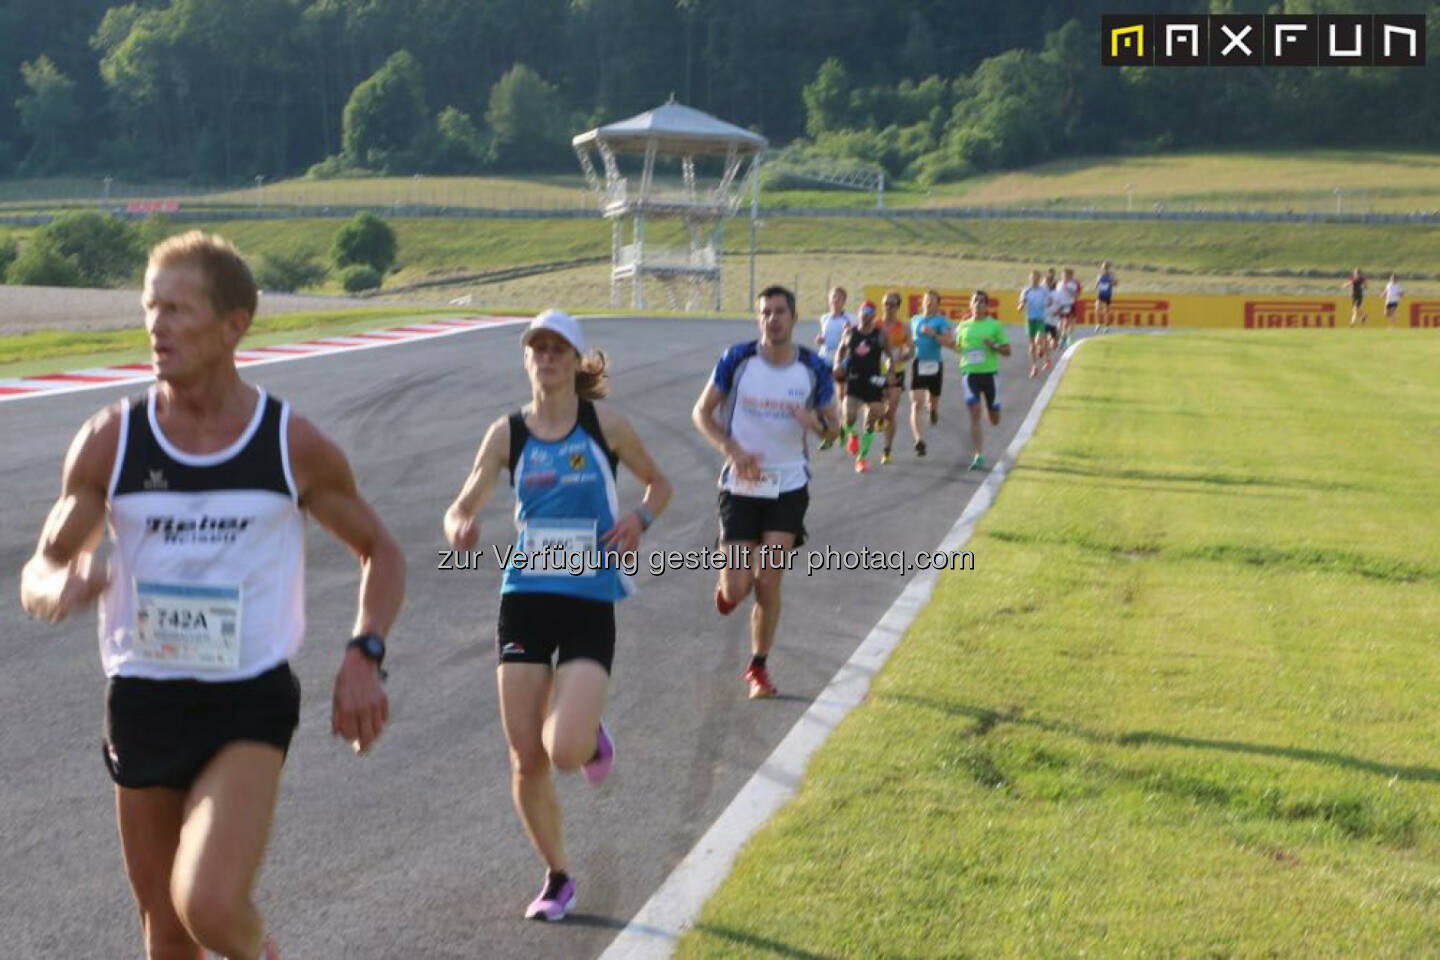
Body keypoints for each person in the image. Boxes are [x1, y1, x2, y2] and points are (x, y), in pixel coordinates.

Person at [19, 231, 404, 960]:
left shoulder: (289, 444)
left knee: (208, 904)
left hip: (246, 702)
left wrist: (365, 649)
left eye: (177, 308)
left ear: (235, 324)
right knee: (166, 933)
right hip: (142, 699)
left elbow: (381, 550)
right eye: (149, 307)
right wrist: (57, 588)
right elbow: (41, 567)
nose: (156, 326)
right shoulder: (112, 440)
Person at [443, 310, 671, 922]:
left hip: (590, 598)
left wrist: (639, 521)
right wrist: (459, 523)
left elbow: (660, 485)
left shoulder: (605, 425)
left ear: (575, 360)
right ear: (527, 360)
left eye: (556, 349)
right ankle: (558, 875)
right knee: (525, 757)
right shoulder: (507, 434)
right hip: (524, 598)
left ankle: (587, 728)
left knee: (564, 751)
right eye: (536, 348)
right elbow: (462, 502)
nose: (545, 357)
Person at [693, 285, 839, 699]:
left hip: (788, 485)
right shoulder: (736, 360)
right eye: (765, 313)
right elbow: (701, 413)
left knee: (768, 582)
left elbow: (835, 428)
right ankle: (726, 591)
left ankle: (758, 667)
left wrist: (811, 419)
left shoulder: (814, 368)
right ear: (759, 319)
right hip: (740, 485)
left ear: (794, 318)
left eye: (780, 312)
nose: (772, 319)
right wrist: (732, 449)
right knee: (737, 589)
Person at [834, 300, 895, 474]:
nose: (866, 314)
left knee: (873, 417)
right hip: (854, 379)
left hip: (874, 380)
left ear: (874, 315)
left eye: (870, 311)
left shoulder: (880, 335)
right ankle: (852, 434)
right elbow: (841, 350)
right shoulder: (850, 333)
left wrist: (890, 371)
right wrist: (837, 363)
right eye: (864, 310)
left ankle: (861, 458)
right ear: (859, 313)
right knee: (849, 414)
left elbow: (889, 356)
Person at [956, 290, 1012, 471]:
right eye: (975, 301)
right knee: (974, 411)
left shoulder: (994, 326)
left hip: (989, 374)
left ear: (987, 306)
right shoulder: (963, 326)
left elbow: (1007, 351)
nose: (979, 304)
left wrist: (993, 346)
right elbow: (958, 347)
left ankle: (993, 409)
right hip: (970, 374)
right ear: (970, 305)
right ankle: (978, 455)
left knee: (994, 419)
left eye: (982, 301)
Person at [908, 290, 955, 457]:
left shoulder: (941, 321)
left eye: (933, 301)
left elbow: (950, 341)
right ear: (922, 302)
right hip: (918, 363)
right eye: (927, 300)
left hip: (935, 364)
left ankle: (934, 409)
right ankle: (918, 440)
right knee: (916, 404)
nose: (929, 303)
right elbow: (908, 340)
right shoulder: (914, 320)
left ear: (937, 305)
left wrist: (933, 334)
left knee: (932, 401)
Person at [877, 290, 914, 465]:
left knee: (891, 412)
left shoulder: (904, 328)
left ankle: (887, 450)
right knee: (876, 408)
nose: (888, 307)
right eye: (886, 303)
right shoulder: (875, 325)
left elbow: (912, 351)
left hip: (896, 373)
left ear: (898, 307)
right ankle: (878, 417)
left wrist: (900, 358)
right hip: (876, 373)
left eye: (892, 304)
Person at [814, 286, 853, 423]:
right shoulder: (824, 318)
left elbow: (852, 339)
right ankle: (822, 418)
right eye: (833, 297)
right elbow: (824, 336)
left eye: (839, 297)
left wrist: (848, 335)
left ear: (844, 301)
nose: (835, 300)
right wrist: (820, 339)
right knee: (820, 389)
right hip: (825, 358)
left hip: (841, 360)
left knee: (840, 393)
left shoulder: (849, 319)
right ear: (829, 300)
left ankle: (842, 423)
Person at [1018, 270, 1052, 378]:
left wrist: (1045, 304)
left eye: (1036, 278)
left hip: (1040, 318)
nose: (1034, 280)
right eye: (1032, 278)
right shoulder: (1026, 291)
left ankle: (1042, 351)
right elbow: (1021, 303)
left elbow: (1050, 301)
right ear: (1030, 279)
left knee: (1039, 339)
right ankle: (1034, 367)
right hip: (1030, 319)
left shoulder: (1043, 291)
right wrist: (1021, 306)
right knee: (1032, 344)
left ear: (1039, 279)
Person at [1055, 267, 1082, 347]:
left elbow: (1076, 295)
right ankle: (1062, 337)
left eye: (1067, 275)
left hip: (1069, 305)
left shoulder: (1073, 284)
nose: (1065, 277)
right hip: (1060, 306)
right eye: (1063, 275)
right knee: (1060, 323)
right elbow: (1056, 294)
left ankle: (1067, 338)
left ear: (1070, 276)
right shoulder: (1059, 284)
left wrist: (1068, 290)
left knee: (1068, 322)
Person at [1095, 261, 1118, 333]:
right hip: (1100, 294)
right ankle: (1098, 323)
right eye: (1104, 267)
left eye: (1106, 267)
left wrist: (1111, 282)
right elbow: (1097, 284)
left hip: (1107, 295)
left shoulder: (1111, 275)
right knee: (1097, 309)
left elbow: (1116, 284)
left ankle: (1106, 326)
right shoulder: (1099, 275)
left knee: (1106, 311)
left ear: (1109, 268)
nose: (1105, 269)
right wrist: (1096, 287)